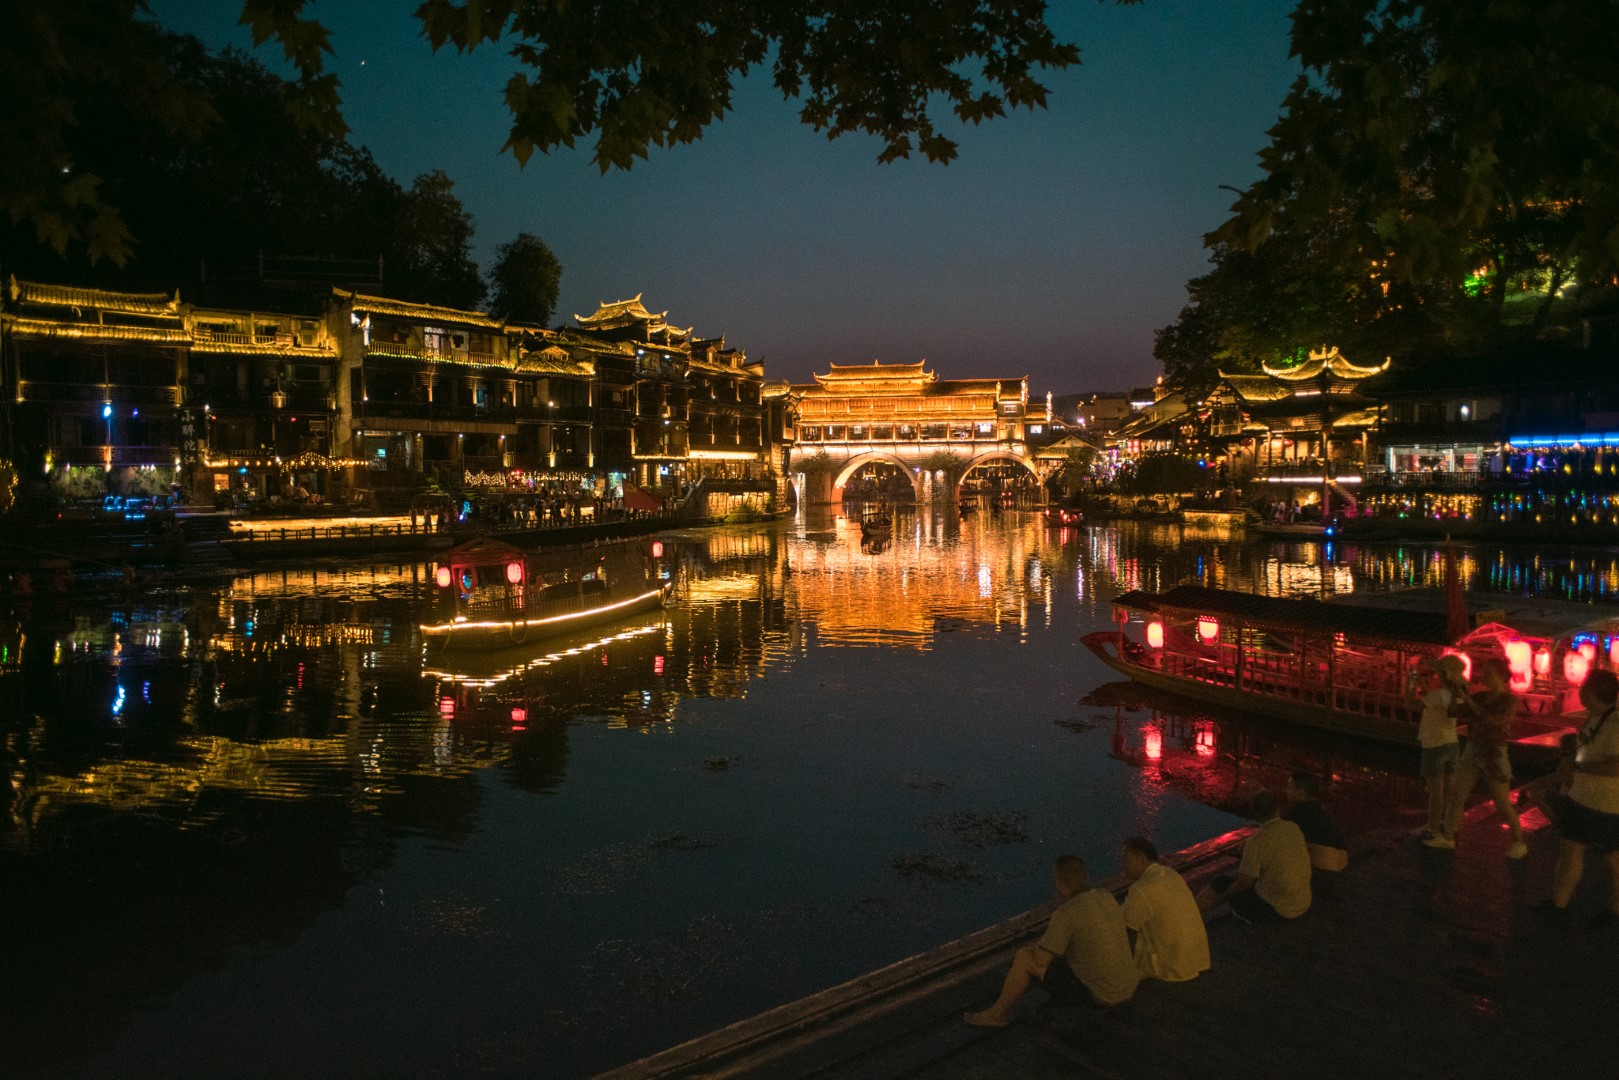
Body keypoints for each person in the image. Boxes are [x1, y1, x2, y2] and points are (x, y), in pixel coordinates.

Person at [964, 855, 1138, 1027]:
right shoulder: (1105, 896)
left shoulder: (1067, 913)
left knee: (1025, 958)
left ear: (1061, 883)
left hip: (1103, 996)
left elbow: (1040, 960)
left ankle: (997, 1015)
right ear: (1086, 876)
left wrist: (1039, 948)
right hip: (1129, 986)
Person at [1426, 657, 1527, 858]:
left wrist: (1469, 700)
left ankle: (1519, 842)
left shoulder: (1508, 700)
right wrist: (1456, 695)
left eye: (1489, 674)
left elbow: (1493, 721)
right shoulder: (1482, 696)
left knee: (1502, 802)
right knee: (1457, 795)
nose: (1485, 677)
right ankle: (1447, 837)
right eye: (1485, 674)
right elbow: (1456, 712)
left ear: (1501, 676)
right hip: (1473, 748)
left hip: (1494, 752)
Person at [1542, 669, 1619, 929]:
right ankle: (1558, 904)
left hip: (1608, 804)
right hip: (1581, 797)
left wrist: (1582, 769)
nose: (1580, 690)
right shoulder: (1593, 717)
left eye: (1584, 686)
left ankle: (1614, 911)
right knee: (1570, 848)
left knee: (1613, 859)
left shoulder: (1616, 722)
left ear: (1592, 691)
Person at [1196, 790, 1312, 920]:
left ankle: (1191, 916)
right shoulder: (1292, 827)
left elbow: (1245, 882)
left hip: (1279, 910)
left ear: (1255, 813)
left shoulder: (1257, 841)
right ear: (1278, 808)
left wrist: (1225, 895)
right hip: (1303, 902)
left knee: (1221, 883)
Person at [1120, 837, 1209, 982]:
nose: (1123, 867)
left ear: (1141, 859)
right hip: (1196, 959)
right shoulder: (1170, 874)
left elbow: (1126, 925)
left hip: (1172, 966)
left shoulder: (1142, 889)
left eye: (1126, 861)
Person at [1407, 655, 1466, 840]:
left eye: (1438, 673)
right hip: (1451, 743)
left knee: (1435, 791)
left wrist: (1409, 683)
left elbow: (1409, 702)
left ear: (1444, 675)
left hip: (1434, 745)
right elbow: (1431, 700)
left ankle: (1431, 827)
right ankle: (1447, 823)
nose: (1435, 675)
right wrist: (1422, 685)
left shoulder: (1440, 695)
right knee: (1449, 788)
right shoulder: (1457, 695)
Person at [1284, 771, 1349, 873]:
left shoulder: (1297, 818)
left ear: (1300, 791)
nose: (1286, 791)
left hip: (1312, 877)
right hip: (1332, 874)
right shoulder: (1323, 815)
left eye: (1289, 787)